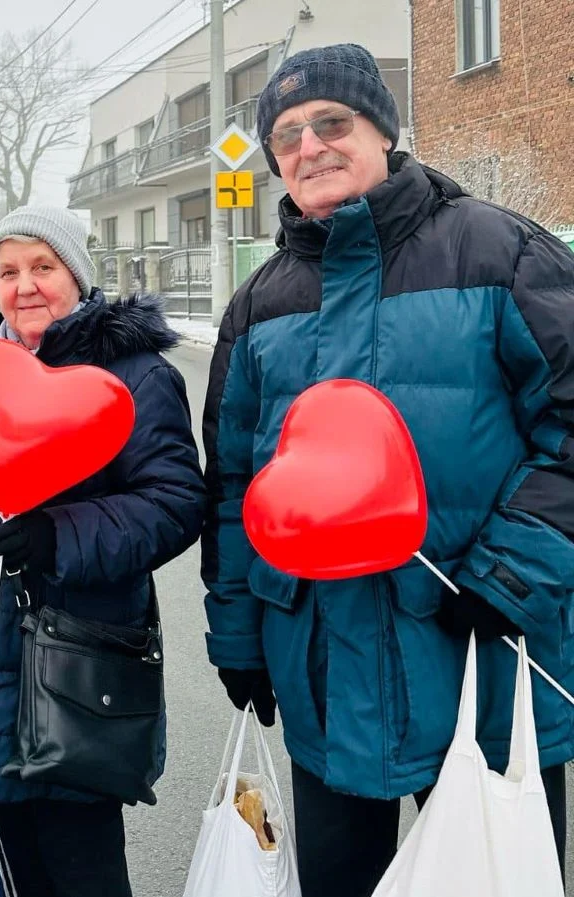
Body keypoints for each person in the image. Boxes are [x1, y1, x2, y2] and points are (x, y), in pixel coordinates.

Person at [202, 43, 574, 897]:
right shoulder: (258, 305)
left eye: (332, 123)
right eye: (286, 137)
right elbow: (230, 488)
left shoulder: (501, 254)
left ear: (381, 130)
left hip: (485, 663)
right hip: (323, 680)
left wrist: (511, 574)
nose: (310, 147)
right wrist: (237, 639)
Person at [0, 206, 207, 896]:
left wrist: (58, 536)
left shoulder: (134, 373)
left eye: (43, 267)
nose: (24, 285)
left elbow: (177, 501)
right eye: (8, 271)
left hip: (68, 664)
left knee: (77, 866)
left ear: (78, 275)